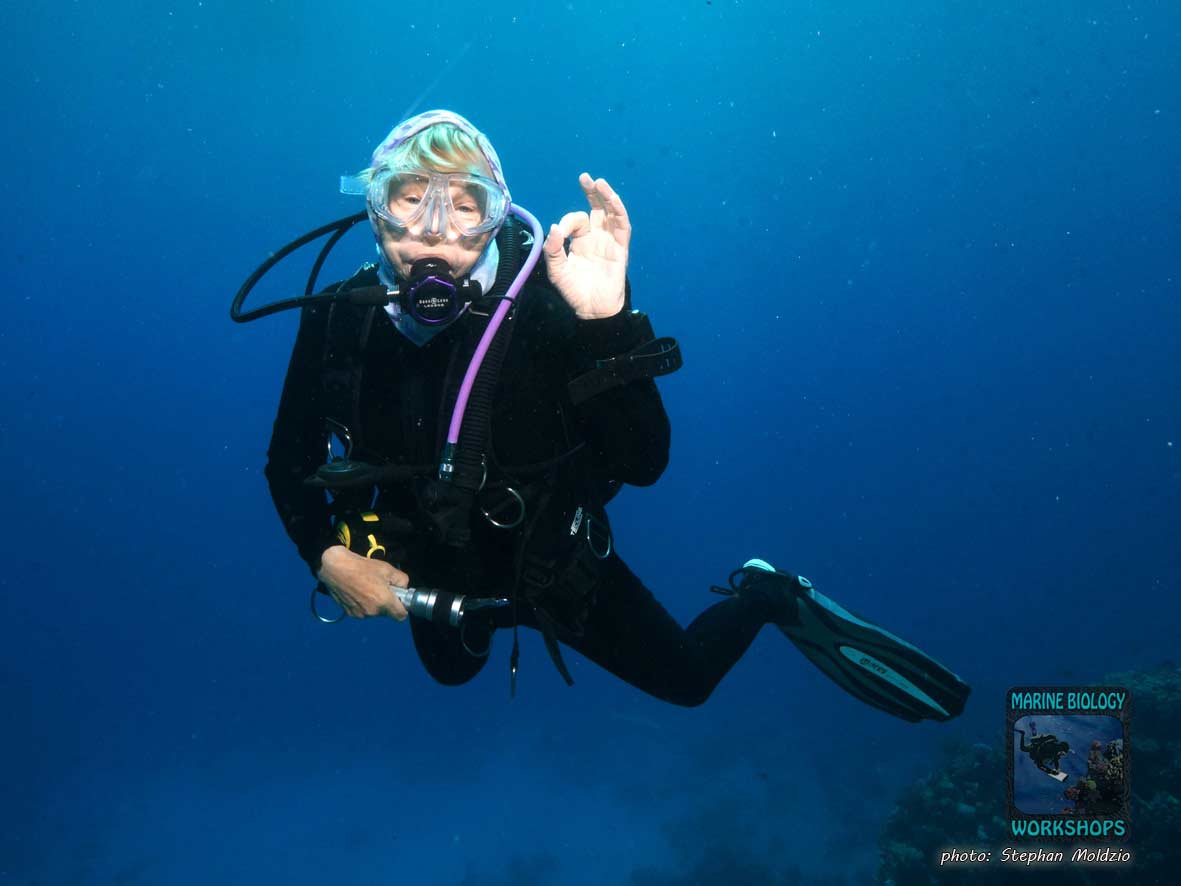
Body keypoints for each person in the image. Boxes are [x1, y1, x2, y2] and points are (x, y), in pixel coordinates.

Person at [260, 109, 969, 720]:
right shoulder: (338, 320)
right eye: (406, 200)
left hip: (553, 558)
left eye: (465, 204)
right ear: (373, 212)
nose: (433, 231)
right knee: (449, 671)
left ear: (496, 215)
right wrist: (326, 557)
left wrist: (607, 321)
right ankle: (472, 621)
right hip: (432, 563)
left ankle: (767, 594)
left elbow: (644, 464)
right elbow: (287, 462)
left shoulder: (547, 301)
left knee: (689, 683)